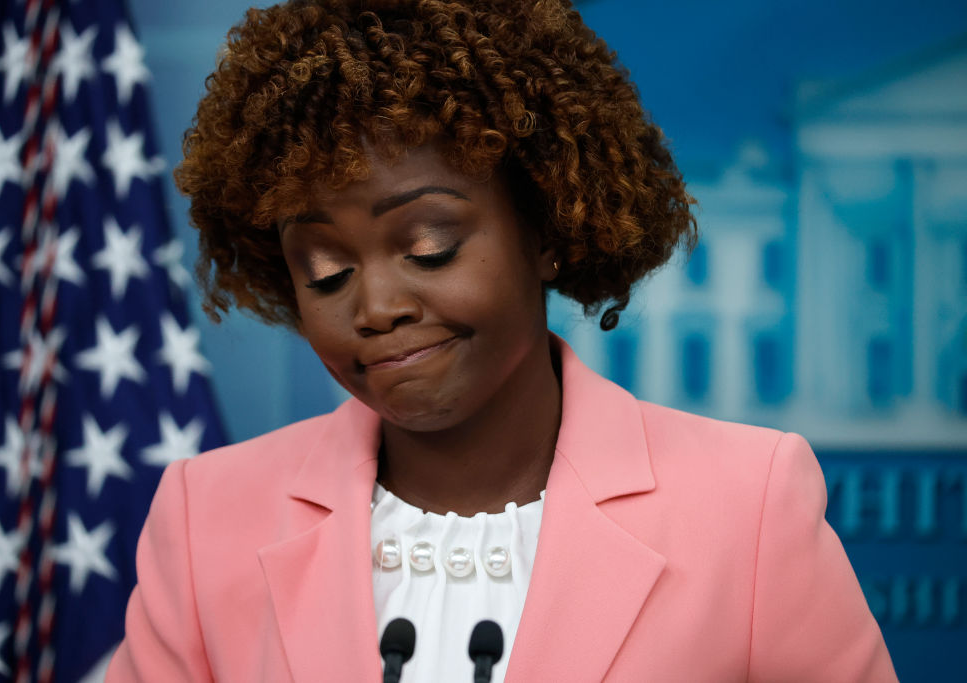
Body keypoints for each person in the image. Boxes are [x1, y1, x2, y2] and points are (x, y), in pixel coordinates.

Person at [107, 1, 898, 681]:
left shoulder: (749, 507)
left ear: (546, 226)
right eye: (325, 269)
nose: (376, 305)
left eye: (429, 246)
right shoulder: (203, 518)